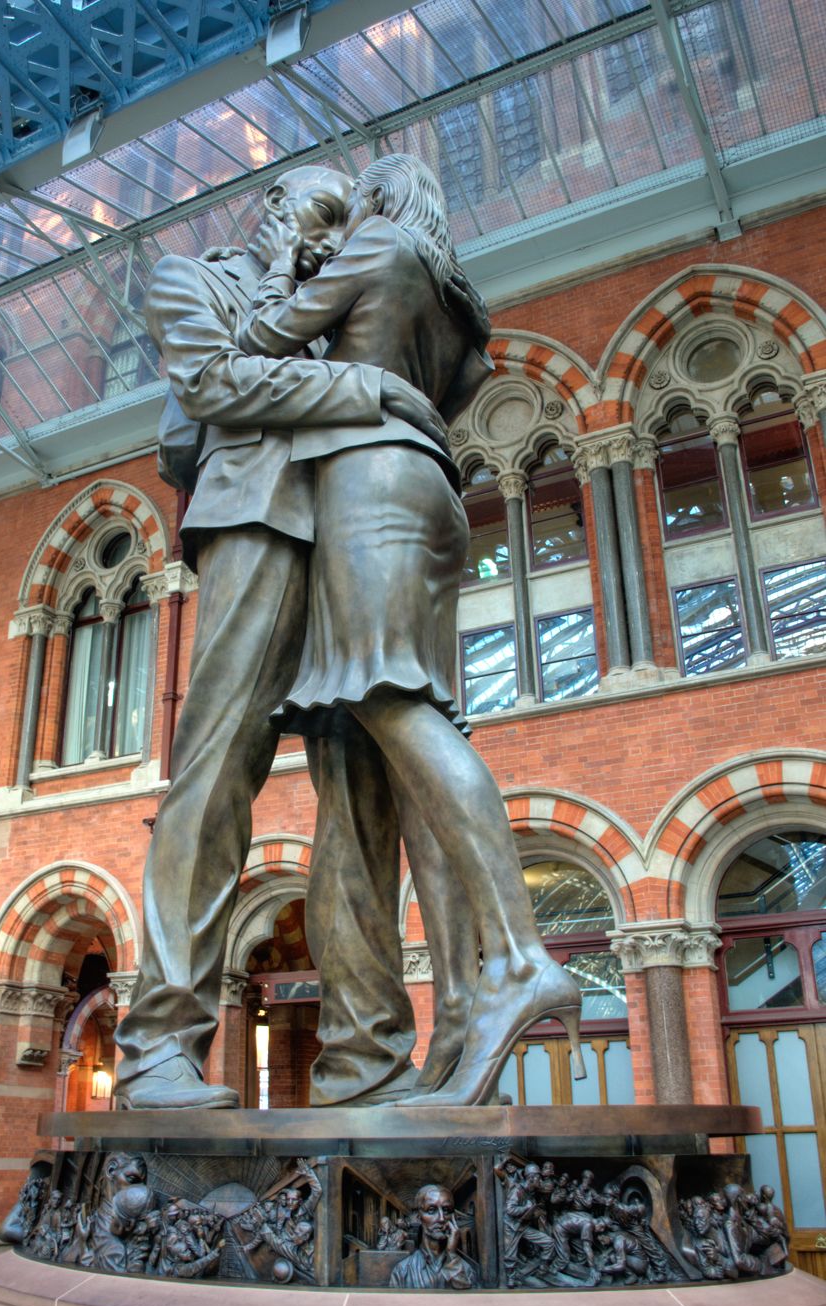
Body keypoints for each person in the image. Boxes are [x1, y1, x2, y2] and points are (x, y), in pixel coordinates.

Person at [237, 152, 584, 1106]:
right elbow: (451, 386)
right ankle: (466, 1006)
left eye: (355, 202)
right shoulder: (453, 294)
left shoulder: (377, 244)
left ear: (381, 200)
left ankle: (518, 958)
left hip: (372, 484)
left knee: (393, 706)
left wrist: (286, 262)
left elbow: (264, 341)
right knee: (409, 733)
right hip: (436, 489)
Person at [113, 164, 464, 1109]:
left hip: (362, 529)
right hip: (261, 518)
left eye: (347, 219)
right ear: (271, 207)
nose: (333, 233)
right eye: (322, 212)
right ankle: (157, 1048)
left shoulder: (341, 289)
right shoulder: (191, 278)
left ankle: (366, 1059)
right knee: (219, 762)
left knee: (364, 790)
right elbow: (214, 384)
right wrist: (368, 388)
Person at [389, 1184, 477, 1289]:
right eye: (431, 1210)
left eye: (446, 1210)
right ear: (418, 1217)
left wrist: (451, 1255)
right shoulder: (402, 1271)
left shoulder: (466, 1271)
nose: (441, 1218)